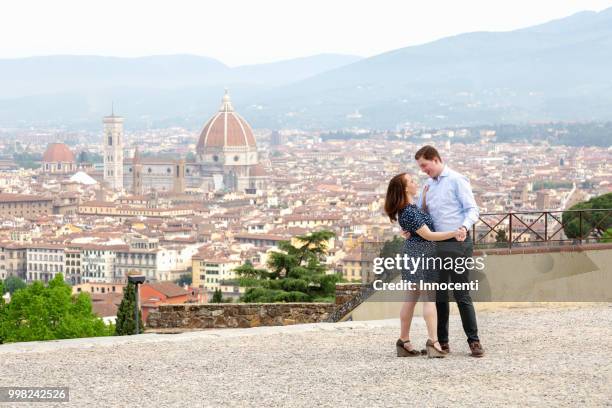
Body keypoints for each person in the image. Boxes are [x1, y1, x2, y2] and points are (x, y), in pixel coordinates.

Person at [404, 145, 484, 357]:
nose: (423, 170)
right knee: (439, 294)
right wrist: (409, 230)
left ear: (435, 159)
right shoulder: (428, 186)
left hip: (457, 242)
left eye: (424, 165)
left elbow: (472, 209)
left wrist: (464, 227)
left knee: (461, 292)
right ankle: (442, 342)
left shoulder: (457, 179)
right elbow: (421, 213)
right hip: (435, 245)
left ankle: (474, 341)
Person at [384, 172, 465, 358]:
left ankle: (404, 341)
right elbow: (428, 235)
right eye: (411, 181)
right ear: (405, 188)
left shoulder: (410, 208)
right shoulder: (409, 211)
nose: (415, 182)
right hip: (422, 255)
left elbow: (421, 221)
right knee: (429, 299)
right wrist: (454, 233)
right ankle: (433, 343)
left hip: (414, 253)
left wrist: (426, 199)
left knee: (411, 298)